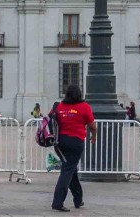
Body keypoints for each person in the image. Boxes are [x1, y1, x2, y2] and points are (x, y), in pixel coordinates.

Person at [50, 84, 96, 213]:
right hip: (76, 142)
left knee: (71, 169)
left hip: (60, 143)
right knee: (67, 170)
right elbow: (92, 125)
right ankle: (58, 202)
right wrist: (94, 136)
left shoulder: (59, 106)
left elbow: (49, 120)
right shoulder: (84, 106)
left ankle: (78, 199)